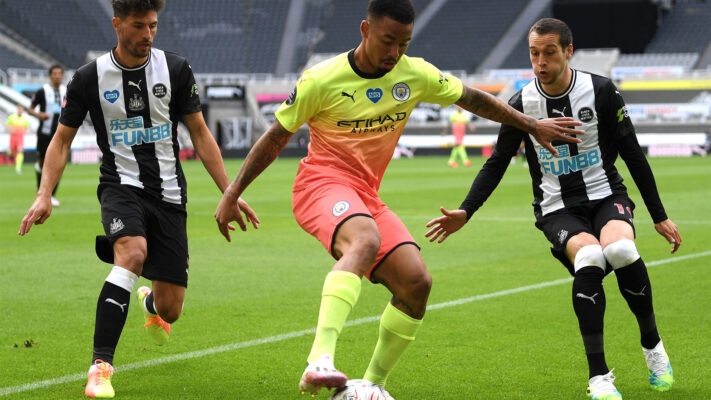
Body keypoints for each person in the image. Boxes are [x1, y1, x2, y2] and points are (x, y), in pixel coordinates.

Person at [214, 2, 582, 398]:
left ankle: (370, 386)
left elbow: (473, 99)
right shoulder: (321, 80)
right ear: (365, 30)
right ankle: (319, 360)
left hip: (365, 194)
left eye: (404, 44)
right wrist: (232, 192)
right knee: (365, 239)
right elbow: (276, 137)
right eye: (388, 41)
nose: (395, 53)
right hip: (320, 185)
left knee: (416, 283)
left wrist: (531, 124)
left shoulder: (415, 74)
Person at [425, 18, 681, 400]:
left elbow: (633, 154)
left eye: (549, 52)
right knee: (591, 257)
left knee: (621, 249)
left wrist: (659, 215)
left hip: (605, 194)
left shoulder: (601, 91)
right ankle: (599, 377)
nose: (540, 62)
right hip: (557, 207)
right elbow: (497, 162)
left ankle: (652, 346)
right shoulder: (521, 104)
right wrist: (467, 210)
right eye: (534, 53)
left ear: (568, 51)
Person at [18, 0, 258, 398]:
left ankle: (149, 304)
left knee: (171, 309)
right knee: (131, 254)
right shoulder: (88, 78)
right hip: (120, 186)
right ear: (117, 24)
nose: (148, 35)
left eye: (153, 26)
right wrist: (44, 195)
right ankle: (100, 368)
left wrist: (230, 192)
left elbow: (200, 133)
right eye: (138, 26)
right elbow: (61, 141)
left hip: (169, 193)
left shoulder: (176, 69)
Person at [27, 64, 66, 207]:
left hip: (60, 134)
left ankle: (52, 195)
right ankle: (40, 192)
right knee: (42, 163)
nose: (57, 76)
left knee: (58, 164)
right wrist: (40, 115)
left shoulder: (66, 91)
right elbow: (30, 109)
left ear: (62, 76)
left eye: (59, 74)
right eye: (54, 74)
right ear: (50, 76)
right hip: (44, 133)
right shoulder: (42, 91)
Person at [5, 104, 30, 174]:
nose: (20, 111)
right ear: (17, 109)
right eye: (19, 109)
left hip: (20, 137)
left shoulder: (24, 119)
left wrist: (24, 131)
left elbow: (27, 129)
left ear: (22, 110)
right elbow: (7, 124)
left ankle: (18, 168)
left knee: (20, 151)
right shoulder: (12, 117)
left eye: (21, 109)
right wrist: (11, 129)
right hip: (13, 137)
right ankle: (9, 157)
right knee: (11, 151)